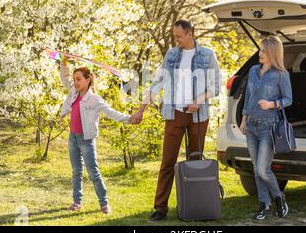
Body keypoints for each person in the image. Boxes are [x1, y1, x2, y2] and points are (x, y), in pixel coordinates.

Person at [131, 19, 222, 222]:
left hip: (199, 115)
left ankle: (196, 206)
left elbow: (216, 86)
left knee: (195, 161)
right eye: (175, 36)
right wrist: (140, 110)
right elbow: (157, 83)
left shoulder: (207, 55)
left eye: (179, 36)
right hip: (174, 114)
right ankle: (160, 209)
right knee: (167, 162)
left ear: (190, 34)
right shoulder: (171, 55)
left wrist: (198, 101)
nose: (176, 40)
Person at [59, 56, 138, 214]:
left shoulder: (95, 99)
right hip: (73, 138)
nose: (75, 82)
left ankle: (104, 203)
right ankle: (77, 201)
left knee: (93, 172)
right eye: (75, 79)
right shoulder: (74, 92)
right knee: (76, 172)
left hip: (86, 140)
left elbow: (111, 113)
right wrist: (65, 62)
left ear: (88, 80)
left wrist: (130, 119)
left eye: (79, 79)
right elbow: (64, 78)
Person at [239, 36, 293, 220]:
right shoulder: (254, 70)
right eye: (260, 50)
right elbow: (248, 96)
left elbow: (288, 99)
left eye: (263, 51)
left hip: (268, 128)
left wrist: (271, 104)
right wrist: (244, 119)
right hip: (251, 126)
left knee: (263, 169)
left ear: (272, 53)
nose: (259, 53)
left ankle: (279, 197)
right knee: (256, 168)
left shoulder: (281, 74)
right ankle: (265, 204)